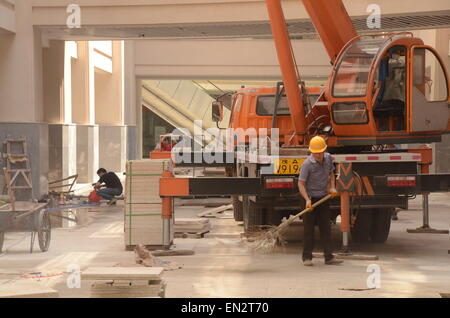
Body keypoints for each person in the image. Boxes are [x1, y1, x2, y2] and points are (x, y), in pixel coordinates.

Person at [297, 136, 342, 266]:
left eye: (319, 152)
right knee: (308, 229)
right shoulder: (307, 164)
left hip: (323, 197)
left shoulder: (328, 158)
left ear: (324, 150)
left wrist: (332, 187)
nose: (317, 155)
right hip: (309, 198)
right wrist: (306, 200)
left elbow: (331, 173)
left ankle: (329, 257)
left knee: (326, 227)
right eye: (315, 152)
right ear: (311, 152)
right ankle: (307, 257)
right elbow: (300, 184)